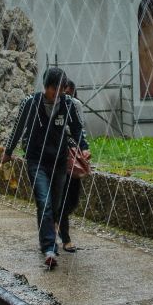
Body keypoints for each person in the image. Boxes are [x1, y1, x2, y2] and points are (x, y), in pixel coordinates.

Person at [1, 67, 86, 269]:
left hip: (59, 162)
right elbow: (18, 128)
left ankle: (49, 237)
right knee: (44, 202)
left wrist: (84, 148)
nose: (57, 94)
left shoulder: (68, 104)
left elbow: (77, 129)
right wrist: (8, 151)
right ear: (46, 87)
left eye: (61, 90)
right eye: (54, 89)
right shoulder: (30, 103)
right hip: (36, 161)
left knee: (55, 205)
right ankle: (49, 248)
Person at [57, 80, 90, 252]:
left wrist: (84, 148)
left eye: (68, 92)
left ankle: (57, 219)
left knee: (74, 200)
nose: (65, 95)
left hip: (73, 155)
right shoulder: (51, 104)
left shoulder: (74, 105)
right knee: (62, 199)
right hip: (57, 157)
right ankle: (66, 237)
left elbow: (80, 129)